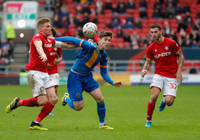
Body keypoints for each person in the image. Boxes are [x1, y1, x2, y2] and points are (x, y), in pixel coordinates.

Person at [5, 18, 75, 130]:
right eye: (47, 26)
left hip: (45, 73)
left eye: (50, 26)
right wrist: (42, 54)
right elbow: (38, 46)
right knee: (42, 101)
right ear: (40, 29)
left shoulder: (50, 40)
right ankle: (18, 103)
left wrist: (84, 44)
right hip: (35, 72)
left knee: (53, 99)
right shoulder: (37, 37)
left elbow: (66, 45)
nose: (49, 28)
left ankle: (35, 123)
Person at [54, 30, 123, 129]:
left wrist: (112, 82)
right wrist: (52, 39)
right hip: (75, 77)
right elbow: (71, 39)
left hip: (87, 77)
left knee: (100, 99)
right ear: (99, 39)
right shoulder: (89, 45)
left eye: (109, 40)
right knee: (78, 107)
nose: (107, 42)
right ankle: (66, 98)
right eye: (105, 40)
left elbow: (103, 73)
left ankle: (102, 124)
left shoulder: (104, 56)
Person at [141, 24, 184, 127]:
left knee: (169, 102)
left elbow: (181, 56)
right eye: (151, 32)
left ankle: (165, 100)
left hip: (171, 76)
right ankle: (148, 121)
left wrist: (179, 72)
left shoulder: (171, 43)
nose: (153, 34)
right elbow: (148, 62)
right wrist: (144, 69)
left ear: (160, 31)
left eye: (155, 32)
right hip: (159, 74)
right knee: (154, 96)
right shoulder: (151, 48)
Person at [47, 26, 63, 116]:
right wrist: (45, 64)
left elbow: (61, 57)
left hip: (54, 70)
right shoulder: (43, 44)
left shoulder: (57, 45)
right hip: (44, 70)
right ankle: (48, 107)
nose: (50, 36)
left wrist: (58, 60)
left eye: (51, 34)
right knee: (48, 90)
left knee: (55, 88)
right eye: (49, 34)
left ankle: (50, 109)